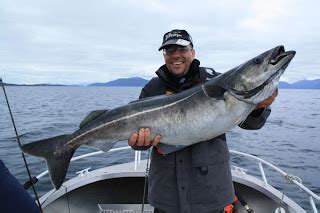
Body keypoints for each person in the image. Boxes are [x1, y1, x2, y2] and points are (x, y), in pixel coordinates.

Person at [128, 29, 277, 213]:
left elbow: (250, 124)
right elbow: (136, 137)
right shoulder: (152, 88)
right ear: (164, 55)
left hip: (211, 192)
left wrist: (259, 108)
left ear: (193, 52)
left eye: (182, 49)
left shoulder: (216, 82)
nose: (176, 55)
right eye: (169, 50)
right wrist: (139, 143)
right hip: (166, 195)